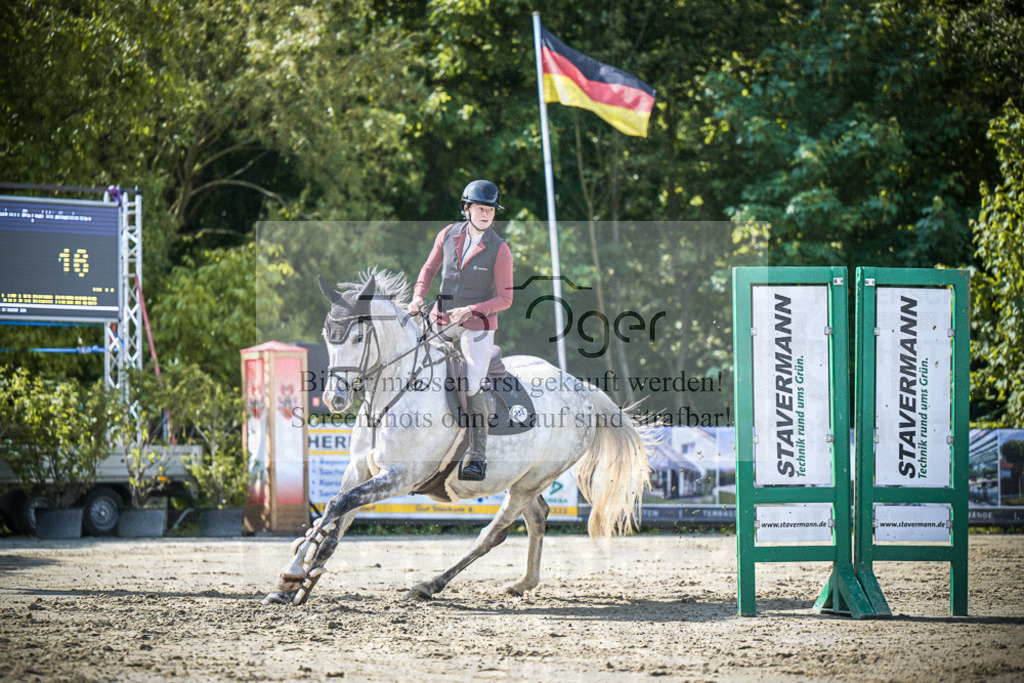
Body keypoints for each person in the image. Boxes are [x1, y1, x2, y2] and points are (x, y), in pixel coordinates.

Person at [408, 179, 514, 481]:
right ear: (466, 209)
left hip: (477, 327)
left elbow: (506, 299)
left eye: (491, 210)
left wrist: (472, 310)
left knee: (471, 384)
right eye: (481, 208)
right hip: (441, 319)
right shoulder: (448, 234)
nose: (487, 214)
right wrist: (418, 296)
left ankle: (477, 457)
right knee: (411, 364)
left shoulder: (500, 249)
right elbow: (429, 269)